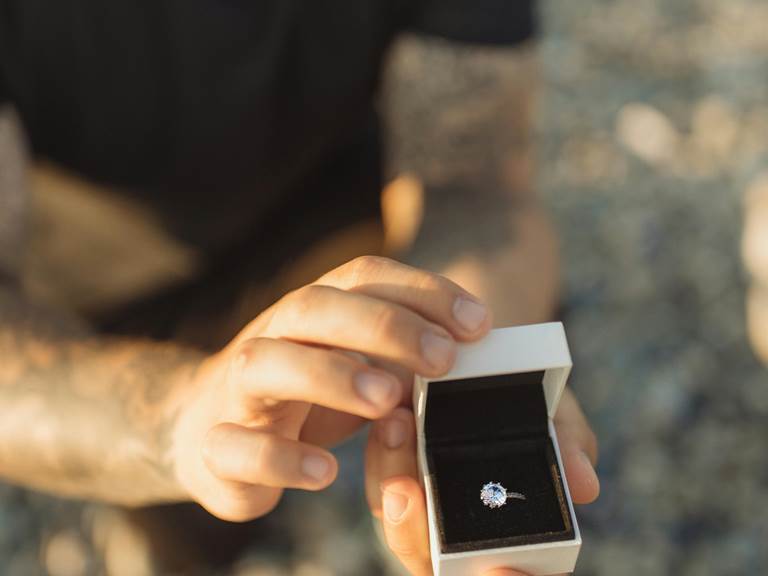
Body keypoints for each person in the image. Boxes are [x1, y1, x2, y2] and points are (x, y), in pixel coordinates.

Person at [0, 1, 599, 573]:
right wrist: (177, 422)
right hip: (103, 305)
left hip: (347, 223)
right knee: (201, 514)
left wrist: (477, 371)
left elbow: (471, 182)